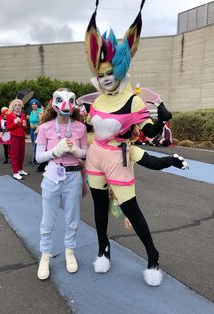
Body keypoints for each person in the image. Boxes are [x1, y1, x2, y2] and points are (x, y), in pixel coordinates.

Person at [84, 0, 177, 286]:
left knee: (132, 210)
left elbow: (147, 130)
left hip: (119, 158)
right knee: (99, 209)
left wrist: (161, 120)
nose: (105, 78)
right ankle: (103, 249)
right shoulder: (97, 100)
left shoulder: (132, 99)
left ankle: (153, 257)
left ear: (121, 69)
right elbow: (89, 129)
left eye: (110, 72)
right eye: (101, 74)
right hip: (95, 158)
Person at [35, 88, 87, 280]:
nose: (66, 106)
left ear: (74, 104)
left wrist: (76, 152)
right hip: (51, 177)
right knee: (47, 221)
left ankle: (69, 251)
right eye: (61, 101)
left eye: (70, 101)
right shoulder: (46, 127)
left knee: (72, 219)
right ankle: (45, 255)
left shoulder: (80, 128)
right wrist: (55, 151)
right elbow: (39, 157)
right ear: (54, 104)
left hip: (73, 177)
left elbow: (85, 153)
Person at [6, 99, 29, 180]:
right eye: (15, 105)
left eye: (19, 105)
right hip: (14, 136)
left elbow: (25, 127)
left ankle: (20, 170)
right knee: (14, 155)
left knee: (21, 154)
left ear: (21, 106)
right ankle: (15, 173)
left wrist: (25, 125)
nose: (17, 107)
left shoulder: (22, 115)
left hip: (22, 136)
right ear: (12, 106)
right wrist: (14, 122)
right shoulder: (10, 115)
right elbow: (8, 128)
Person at [26, 98, 43, 164]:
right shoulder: (31, 111)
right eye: (33, 104)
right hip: (31, 130)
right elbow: (30, 120)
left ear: (37, 105)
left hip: (37, 130)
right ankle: (34, 157)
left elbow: (41, 121)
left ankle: (37, 158)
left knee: (37, 144)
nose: (34, 105)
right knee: (33, 143)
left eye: (35, 104)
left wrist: (36, 127)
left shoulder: (40, 111)